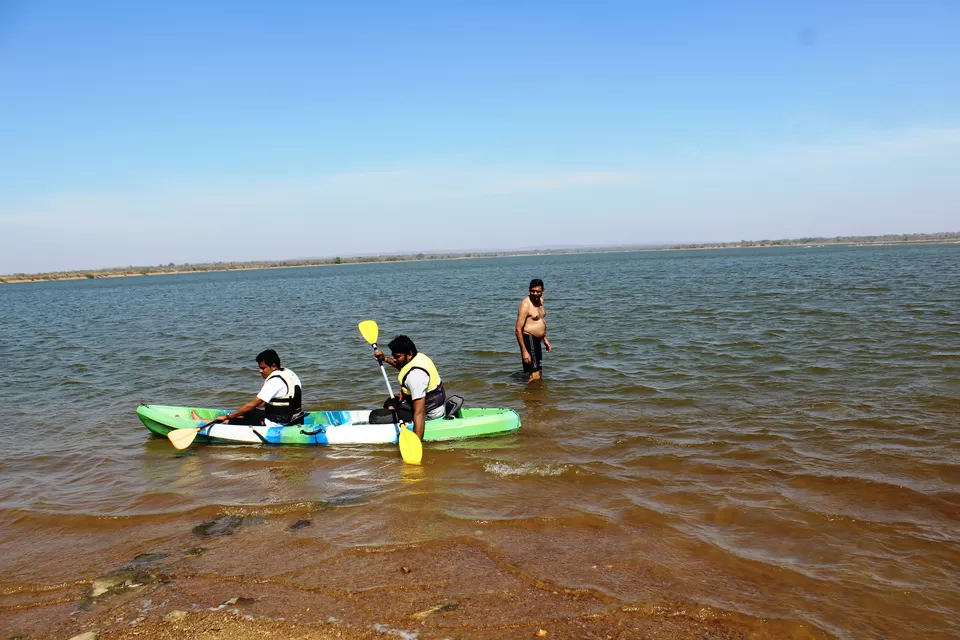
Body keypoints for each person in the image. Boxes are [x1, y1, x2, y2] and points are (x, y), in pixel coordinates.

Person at [198, 349, 304, 426]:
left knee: (243, 415)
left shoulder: (274, 381)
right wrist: (242, 413)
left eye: (263, 368)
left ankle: (205, 422)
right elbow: (263, 403)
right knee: (248, 412)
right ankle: (231, 417)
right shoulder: (288, 374)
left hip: (278, 423)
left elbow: (252, 404)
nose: (260, 371)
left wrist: (229, 416)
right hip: (292, 418)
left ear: (273, 366)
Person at [369, 335, 446, 439]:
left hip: (430, 412)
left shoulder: (416, 376)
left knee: (375, 417)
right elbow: (402, 366)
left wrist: (416, 442)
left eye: (397, 357)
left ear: (409, 354)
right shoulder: (417, 357)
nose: (395, 360)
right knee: (389, 402)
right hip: (430, 403)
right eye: (393, 357)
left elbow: (420, 412)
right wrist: (384, 359)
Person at [516, 278, 552, 382]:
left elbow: (539, 320)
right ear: (529, 290)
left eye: (538, 291)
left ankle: (535, 397)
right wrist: (524, 352)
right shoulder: (525, 305)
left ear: (543, 291)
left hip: (537, 340)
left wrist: (544, 339)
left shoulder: (541, 301)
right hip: (529, 339)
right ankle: (530, 397)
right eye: (533, 291)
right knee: (534, 376)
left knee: (539, 373)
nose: (535, 294)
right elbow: (518, 329)